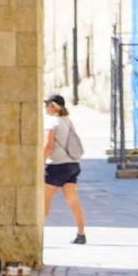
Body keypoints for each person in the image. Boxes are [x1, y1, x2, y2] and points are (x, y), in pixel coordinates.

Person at [42, 94, 88, 244]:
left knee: (44, 201)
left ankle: (37, 234)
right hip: (72, 164)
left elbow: (48, 146)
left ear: (53, 106)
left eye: (47, 104)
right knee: (73, 200)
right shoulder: (67, 121)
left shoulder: (52, 122)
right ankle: (81, 234)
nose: (45, 107)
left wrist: (40, 162)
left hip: (56, 165)